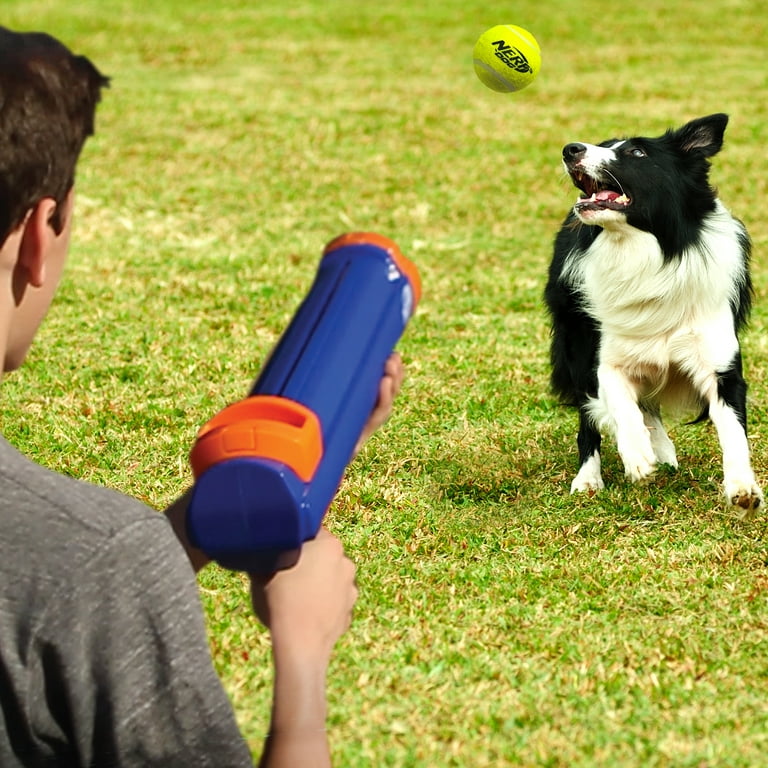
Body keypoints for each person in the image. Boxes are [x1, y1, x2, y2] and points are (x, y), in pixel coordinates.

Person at [0, 27, 404, 767]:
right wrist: (302, 653)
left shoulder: (87, 564)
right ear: (38, 233)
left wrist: (187, 529)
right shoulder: (98, 566)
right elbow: (72, 582)